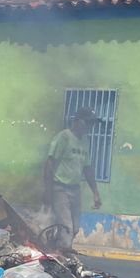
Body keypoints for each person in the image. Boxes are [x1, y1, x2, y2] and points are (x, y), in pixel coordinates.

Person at [43, 106, 103, 250]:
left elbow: (87, 169)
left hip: (75, 190)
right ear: (78, 121)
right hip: (60, 189)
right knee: (67, 228)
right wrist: (48, 191)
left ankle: (53, 248)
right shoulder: (64, 137)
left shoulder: (85, 141)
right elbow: (49, 164)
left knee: (75, 228)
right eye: (88, 123)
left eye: (92, 123)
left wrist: (95, 192)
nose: (90, 126)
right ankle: (63, 257)